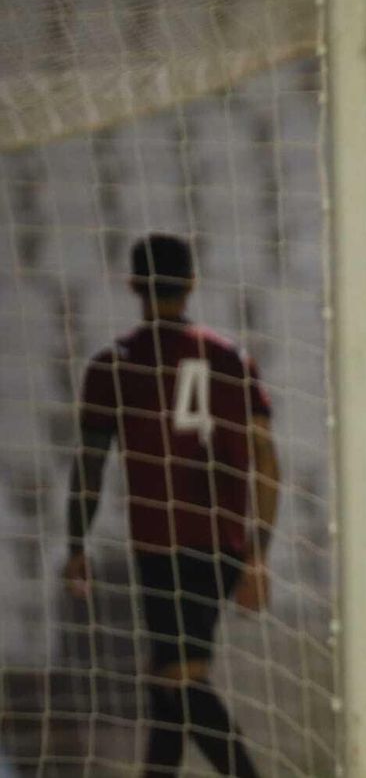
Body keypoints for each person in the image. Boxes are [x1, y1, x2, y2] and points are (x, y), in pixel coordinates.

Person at [66, 233, 279, 778]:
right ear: (191, 282)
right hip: (223, 541)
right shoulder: (232, 357)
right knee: (168, 681)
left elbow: (90, 466)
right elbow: (267, 462)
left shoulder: (112, 365)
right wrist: (257, 554)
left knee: (179, 679)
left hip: (161, 543)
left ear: (134, 284)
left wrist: (76, 544)